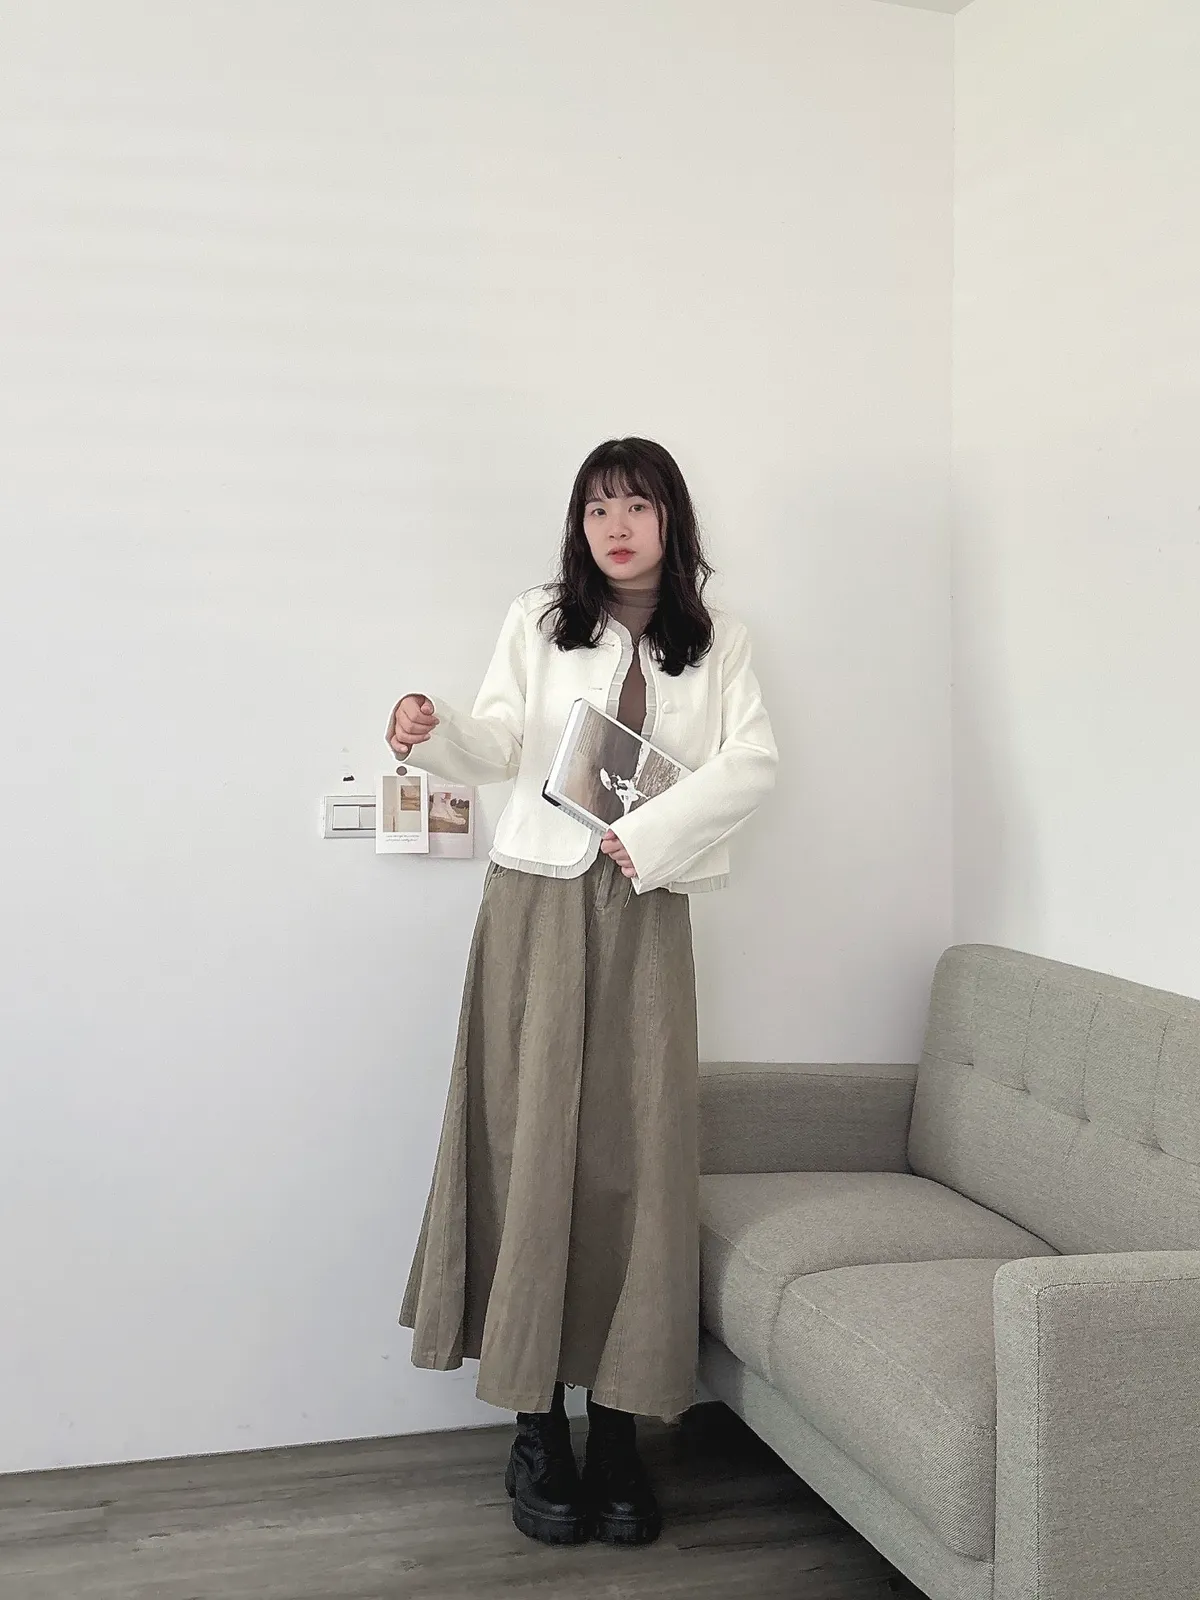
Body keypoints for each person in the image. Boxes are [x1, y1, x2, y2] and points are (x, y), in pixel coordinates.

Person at [386, 437, 777, 1548]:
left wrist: (650, 834)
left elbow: (752, 762)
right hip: (536, 902)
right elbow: (498, 740)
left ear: (671, 521)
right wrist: (433, 729)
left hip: (646, 905)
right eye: (599, 507)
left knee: (632, 1157)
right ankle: (536, 1427)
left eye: (638, 506)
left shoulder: (720, 640)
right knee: (525, 1141)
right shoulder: (540, 620)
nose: (617, 526)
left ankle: (616, 1430)